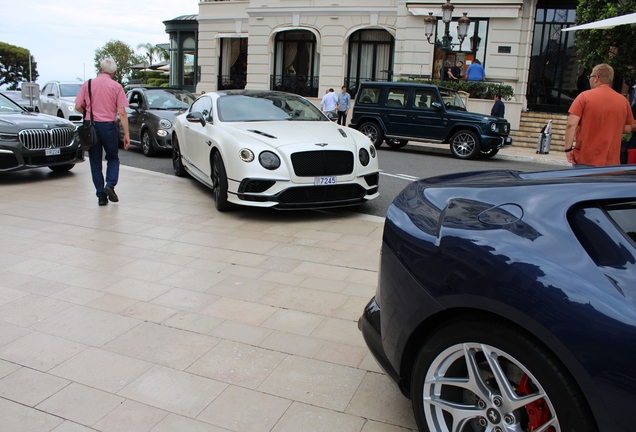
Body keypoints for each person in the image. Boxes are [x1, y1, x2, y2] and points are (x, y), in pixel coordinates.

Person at [75, 58, 130, 206]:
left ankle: (101, 196)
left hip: (91, 126)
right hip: (108, 126)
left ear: (100, 69)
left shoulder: (88, 84)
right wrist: (127, 134)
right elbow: (122, 112)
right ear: (115, 72)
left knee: (95, 160)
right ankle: (110, 185)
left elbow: (78, 106)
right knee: (113, 157)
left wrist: (88, 115)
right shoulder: (116, 87)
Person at [564, 63, 634, 168]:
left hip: (585, 158)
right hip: (612, 162)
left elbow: (571, 125)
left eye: (590, 77)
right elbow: (628, 128)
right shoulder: (623, 101)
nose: (590, 80)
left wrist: (568, 149)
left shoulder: (584, 97)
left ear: (596, 78)